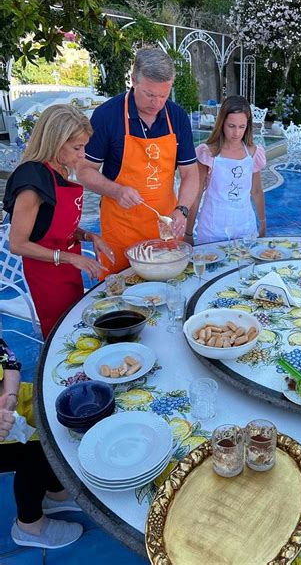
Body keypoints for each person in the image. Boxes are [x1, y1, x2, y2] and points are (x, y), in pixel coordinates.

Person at [76, 47, 199, 273]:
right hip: (121, 230)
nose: (157, 103)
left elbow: (191, 173)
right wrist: (115, 190)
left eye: (164, 95)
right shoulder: (107, 115)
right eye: (150, 94)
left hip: (165, 228)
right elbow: (84, 170)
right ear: (133, 80)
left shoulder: (177, 117)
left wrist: (182, 210)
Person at [4, 105, 112, 339]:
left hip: (68, 267)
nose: (82, 155)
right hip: (47, 276)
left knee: (76, 324)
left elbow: (58, 225)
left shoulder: (60, 170)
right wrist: (69, 257)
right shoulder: (32, 180)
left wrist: (89, 236)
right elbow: (17, 243)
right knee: (60, 333)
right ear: (55, 141)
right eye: (77, 148)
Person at [0, 338, 83, 549]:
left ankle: (55, 493)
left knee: (50, 428)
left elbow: (6, 357)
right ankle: (29, 525)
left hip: (12, 402)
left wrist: (9, 395)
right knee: (35, 453)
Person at [185, 96, 266, 244]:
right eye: (231, 126)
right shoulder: (208, 153)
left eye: (242, 127)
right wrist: (188, 232)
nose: (236, 133)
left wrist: (263, 222)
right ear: (222, 123)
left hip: (245, 227)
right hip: (212, 227)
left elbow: (256, 191)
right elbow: (196, 195)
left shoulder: (253, 153)